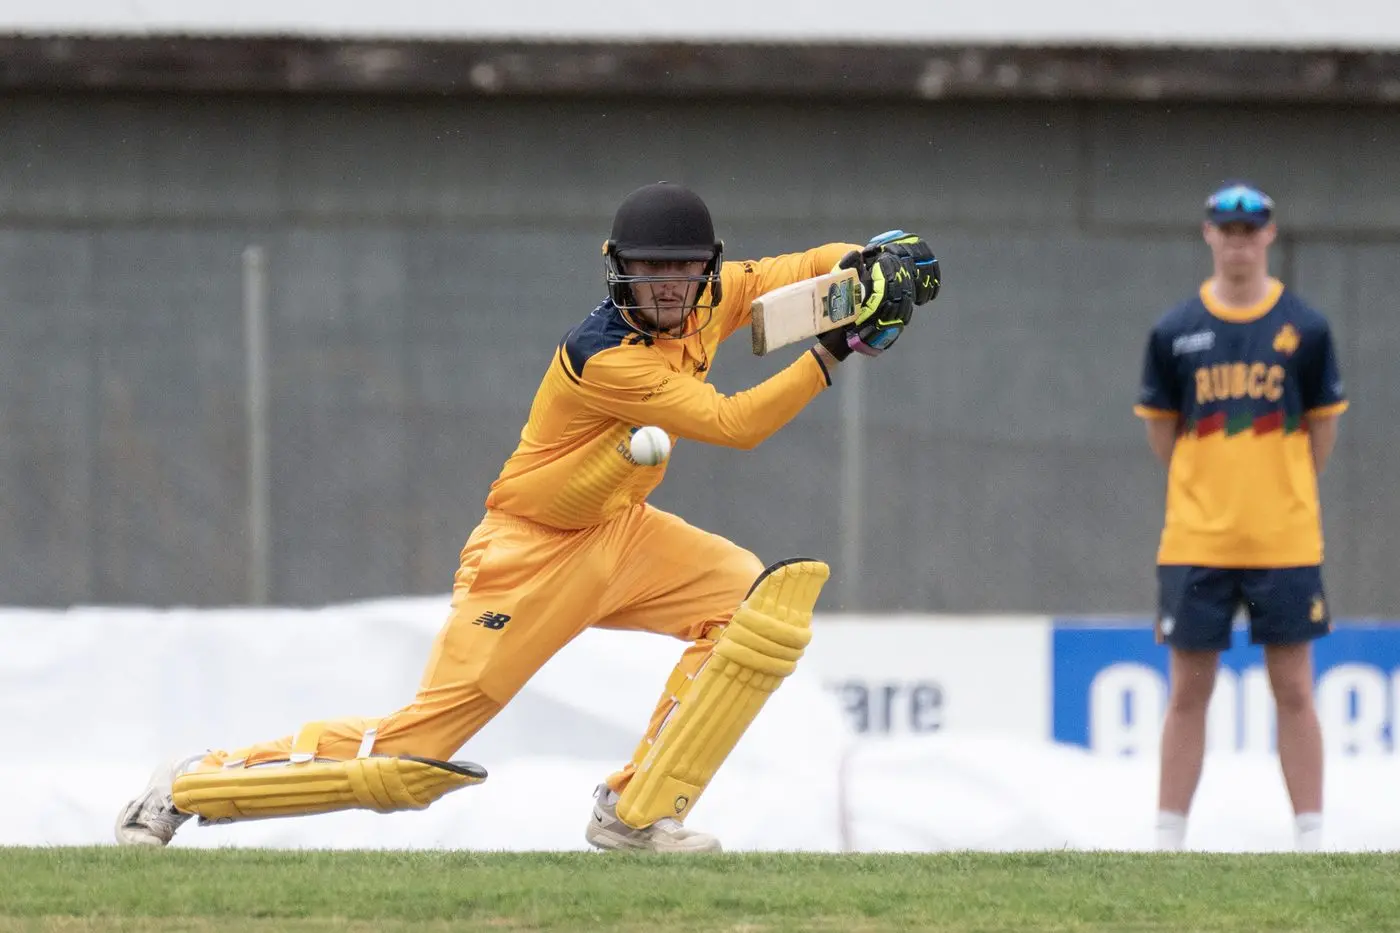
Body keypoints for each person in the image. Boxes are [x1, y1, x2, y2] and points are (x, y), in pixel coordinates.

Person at [114, 181, 941, 853]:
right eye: (651, 270)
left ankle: (636, 813)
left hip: (621, 530)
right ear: (618, 270)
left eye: (684, 270)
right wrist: (838, 348)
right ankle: (189, 785)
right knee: (412, 758)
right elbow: (736, 424)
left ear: (706, 269)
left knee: (752, 608)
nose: (668, 287)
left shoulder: (712, 296)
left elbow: (806, 266)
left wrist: (871, 264)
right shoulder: (604, 357)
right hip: (529, 554)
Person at [1134, 181, 1347, 852]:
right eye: (1226, 231)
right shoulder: (1175, 332)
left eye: (1249, 231)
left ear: (1268, 236)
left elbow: (1321, 432)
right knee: (1187, 691)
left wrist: (1277, 488)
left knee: (1294, 687)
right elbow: (1164, 433)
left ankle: (1310, 837)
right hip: (1196, 538)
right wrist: (1210, 486)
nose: (1238, 243)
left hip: (1284, 539)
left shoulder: (1306, 330)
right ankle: (1168, 840)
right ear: (1209, 235)